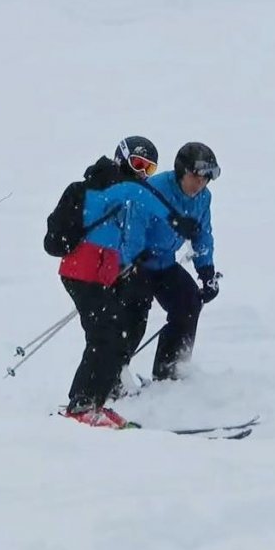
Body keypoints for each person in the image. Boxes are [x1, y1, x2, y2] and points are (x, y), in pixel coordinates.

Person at [47, 136, 194, 428]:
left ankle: (94, 401)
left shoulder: (126, 195)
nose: (141, 173)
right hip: (80, 274)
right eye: (138, 164)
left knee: (116, 335)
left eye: (148, 169)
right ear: (121, 158)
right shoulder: (96, 187)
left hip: (103, 277)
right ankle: (82, 405)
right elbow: (56, 238)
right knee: (106, 336)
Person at [119, 142, 222, 384]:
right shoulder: (154, 189)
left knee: (188, 303)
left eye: (206, 179)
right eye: (196, 177)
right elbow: (133, 227)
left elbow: (202, 233)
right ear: (181, 171)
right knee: (134, 317)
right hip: (136, 264)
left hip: (164, 263)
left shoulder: (203, 198)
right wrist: (135, 256)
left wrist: (207, 272)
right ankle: (113, 376)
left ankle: (170, 369)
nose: (200, 184)